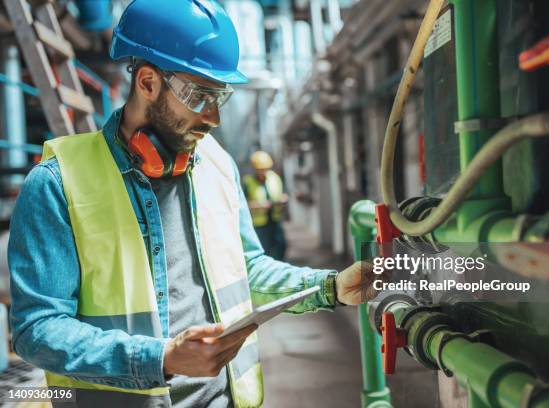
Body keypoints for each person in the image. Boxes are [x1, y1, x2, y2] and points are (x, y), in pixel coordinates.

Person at [7, 1, 375, 407]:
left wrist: (329, 287)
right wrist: (160, 358)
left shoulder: (217, 165)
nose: (214, 117)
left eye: (221, 96)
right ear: (147, 82)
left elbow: (247, 269)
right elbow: (37, 329)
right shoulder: (57, 184)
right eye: (201, 95)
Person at [243, 151, 288, 260]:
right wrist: (258, 205)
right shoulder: (248, 182)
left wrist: (283, 200)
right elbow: (242, 205)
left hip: (275, 220)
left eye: (265, 169)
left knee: (280, 247)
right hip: (259, 225)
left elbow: (284, 194)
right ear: (254, 169)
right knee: (263, 251)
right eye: (260, 170)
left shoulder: (275, 179)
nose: (263, 172)